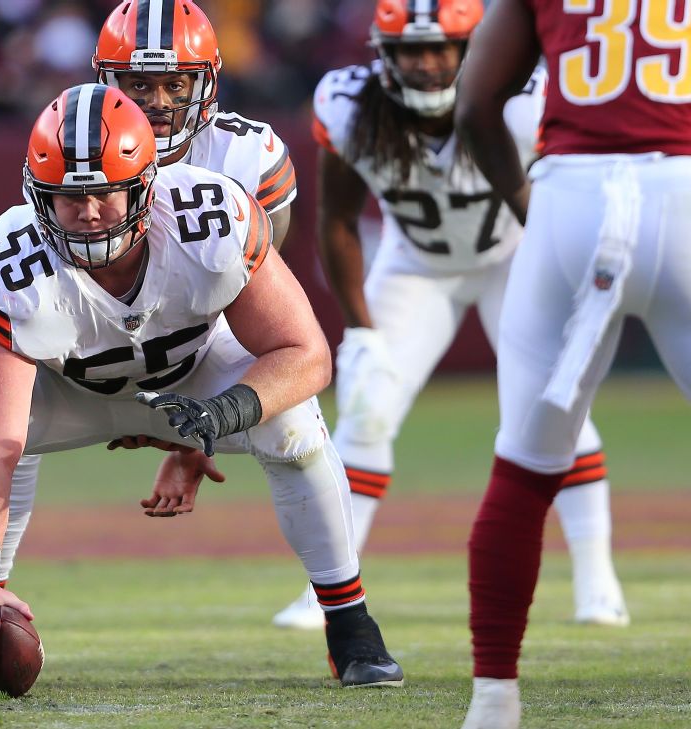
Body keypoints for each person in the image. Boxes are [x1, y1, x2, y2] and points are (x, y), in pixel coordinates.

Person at [0, 83, 405, 693]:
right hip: (65, 389)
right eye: (70, 197)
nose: (89, 211)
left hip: (195, 381)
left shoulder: (211, 219)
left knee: (293, 421)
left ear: (145, 184)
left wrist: (221, 415)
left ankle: (351, 628)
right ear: (39, 195)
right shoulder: (8, 263)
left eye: (106, 191)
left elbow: (305, 354)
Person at [0, 0, 306, 684]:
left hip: (204, 344)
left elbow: (274, 330)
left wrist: (202, 427)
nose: (157, 102)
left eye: (174, 84)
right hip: (84, 355)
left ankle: (348, 618)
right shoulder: (66, 166)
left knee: (299, 426)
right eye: (139, 84)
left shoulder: (246, 160)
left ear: (207, 83)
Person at [268, 0, 628, 631]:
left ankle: (599, 582)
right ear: (384, 53)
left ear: (472, 48)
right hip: (417, 265)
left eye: (441, 48)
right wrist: (362, 329)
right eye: (411, 49)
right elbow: (338, 219)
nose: (427, 63)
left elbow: (554, 201)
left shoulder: (520, 102)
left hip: (516, 255)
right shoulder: (350, 106)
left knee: (556, 403)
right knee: (367, 410)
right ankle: (325, 594)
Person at [454, 0, 691, 723]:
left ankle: (495, 697)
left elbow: (473, 107)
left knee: (523, 470)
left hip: (574, 196)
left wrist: (544, 211)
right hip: (684, 192)